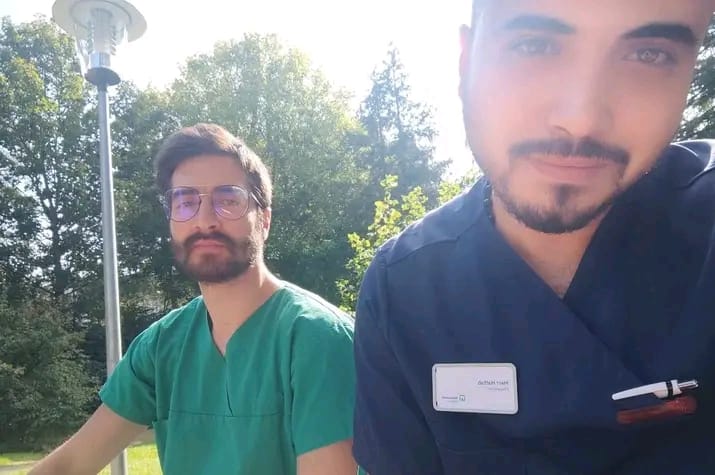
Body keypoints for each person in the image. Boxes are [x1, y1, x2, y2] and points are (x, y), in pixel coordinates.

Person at [352, 1, 715, 474]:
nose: (580, 119)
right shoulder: (402, 290)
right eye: (533, 46)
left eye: (650, 55)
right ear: (466, 63)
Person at [30, 123, 357, 475]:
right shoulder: (162, 347)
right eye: (185, 202)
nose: (204, 221)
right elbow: (70, 465)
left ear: (264, 220)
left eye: (227, 200)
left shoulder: (318, 340)